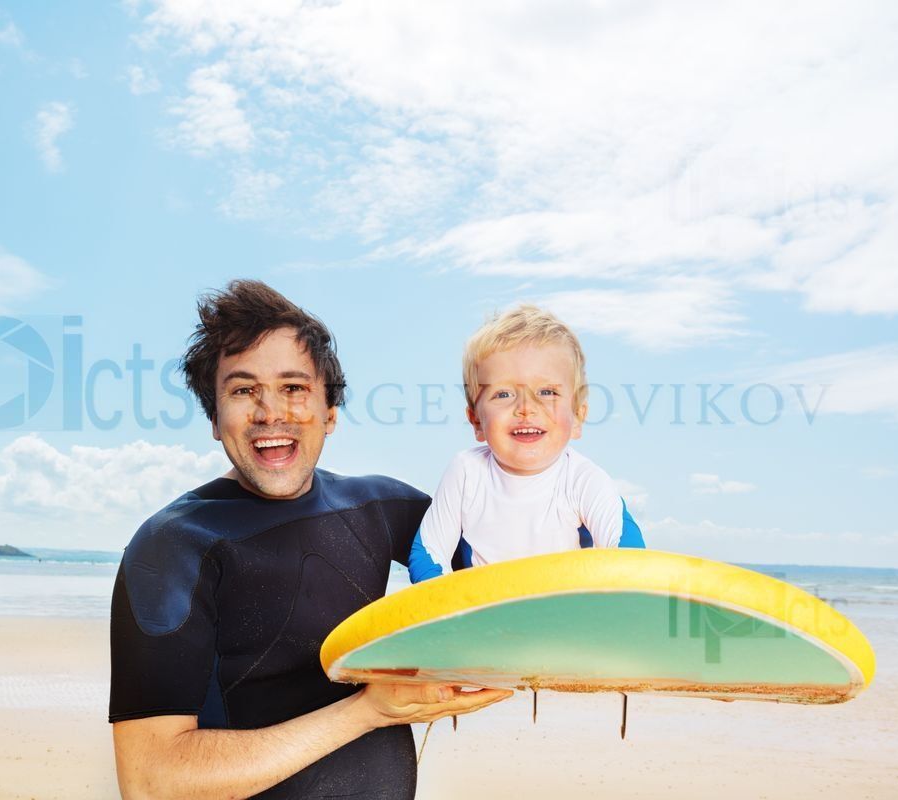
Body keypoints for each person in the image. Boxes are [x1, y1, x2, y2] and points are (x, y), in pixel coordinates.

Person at [109, 280, 510, 799]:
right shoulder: (172, 548)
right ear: (215, 418)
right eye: (242, 389)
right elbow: (150, 781)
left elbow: (512, 572)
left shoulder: (380, 508)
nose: (270, 411)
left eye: (294, 387)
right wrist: (367, 710)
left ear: (330, 412)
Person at [409, 303, 644, 583]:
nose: (526, 408)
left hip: (566, 614)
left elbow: (628, 558)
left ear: (578, 416)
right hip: (485, 617)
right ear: (476, 421)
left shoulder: (583, 479)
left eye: (547, 392)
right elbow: (428, 553)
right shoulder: (466, 472)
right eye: (504, 394)